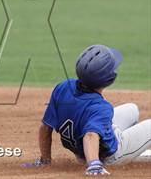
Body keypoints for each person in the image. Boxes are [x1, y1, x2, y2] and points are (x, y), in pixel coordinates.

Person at [24, 44, 151, 175]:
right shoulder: (101, 107)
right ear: (110, 79)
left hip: (83, 149)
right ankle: (111, 156)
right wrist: (94, 165)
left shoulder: (63, 86)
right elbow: (90, 135)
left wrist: (45, 160)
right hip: (108, 155)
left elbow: (45, 127)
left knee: (132, 109)